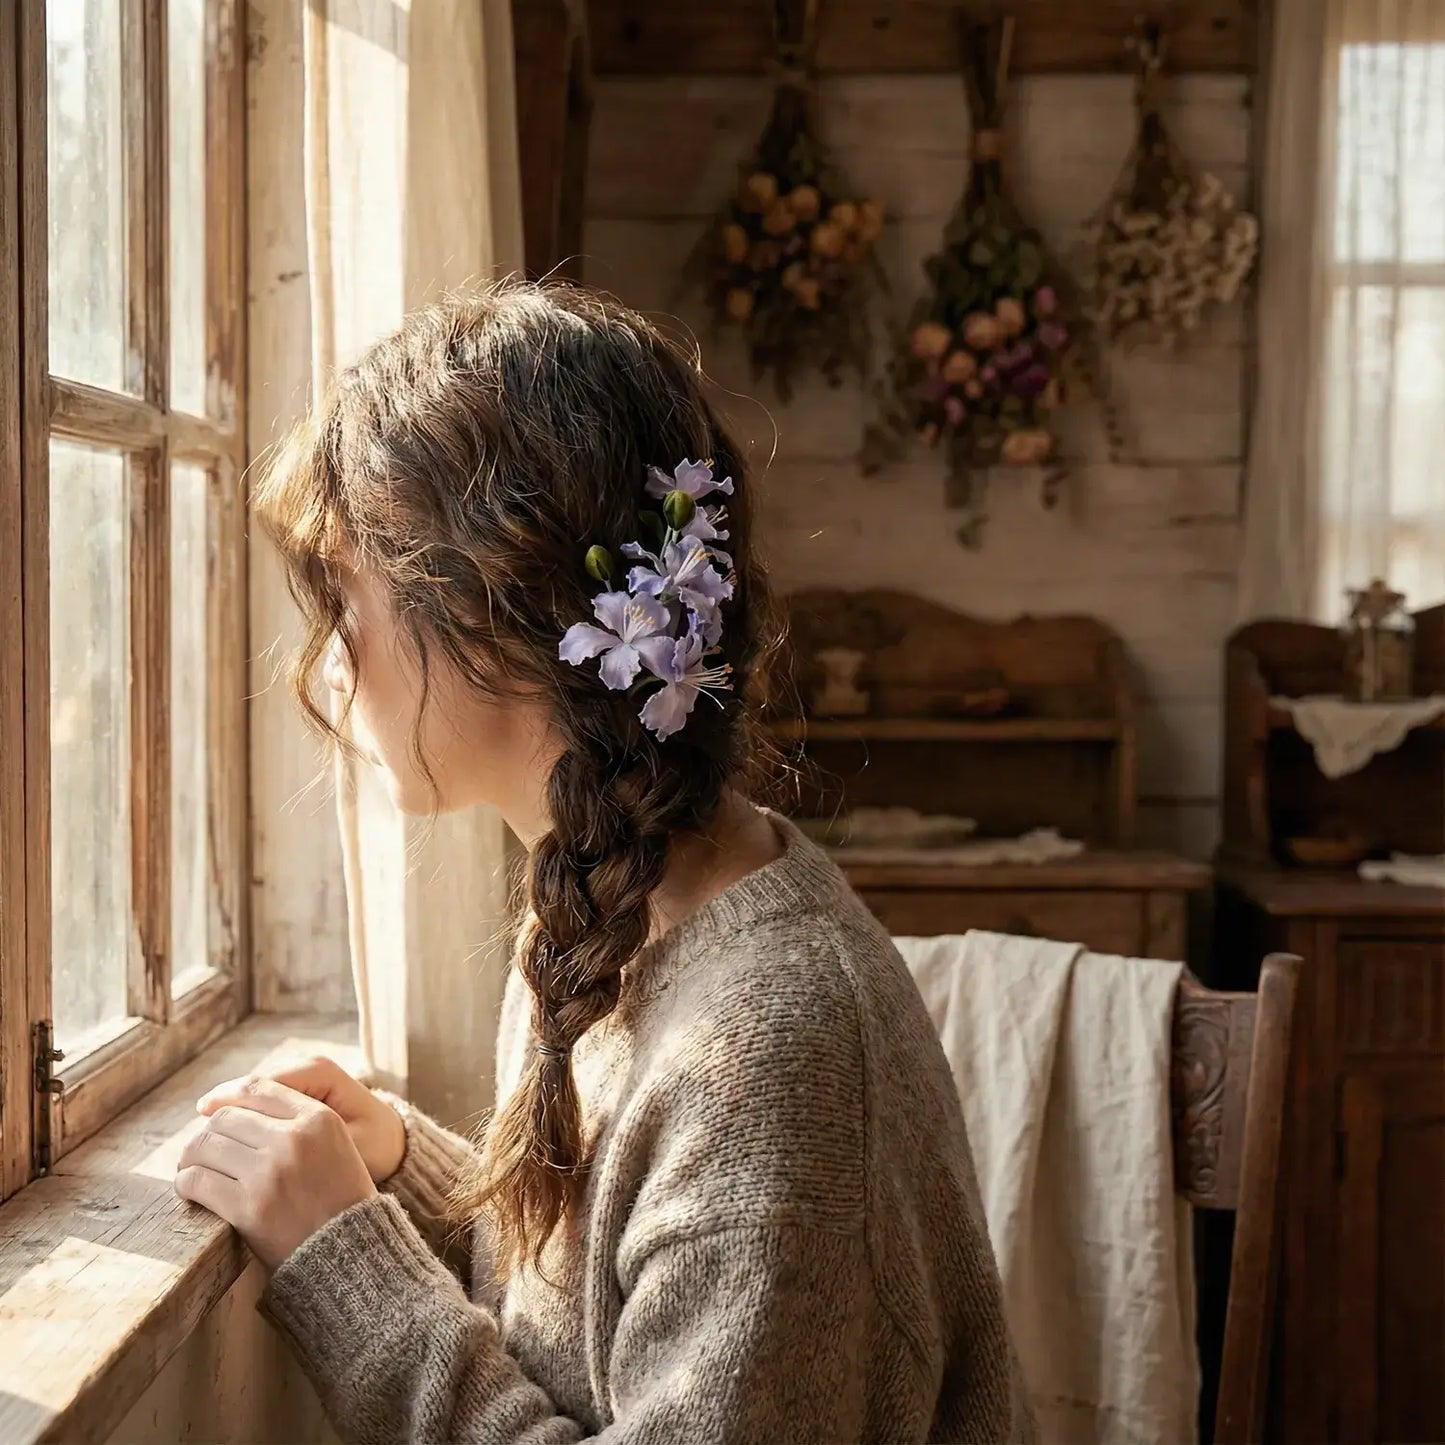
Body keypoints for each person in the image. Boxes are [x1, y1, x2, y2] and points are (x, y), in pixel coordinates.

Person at [175, 283, 1033, 1444]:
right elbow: (597, 1332)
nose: (328, 661)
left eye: (344, 595)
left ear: (494, 608)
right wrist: (407, 1172)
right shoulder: (598, 902)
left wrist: (351, 1269)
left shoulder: (772, 1054)